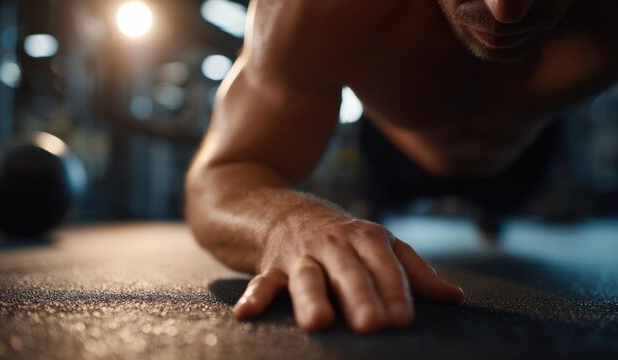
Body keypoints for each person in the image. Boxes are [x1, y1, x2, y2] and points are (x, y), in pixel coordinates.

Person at [185, 0, 618, 333]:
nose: (505, 11)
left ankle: (492, 213)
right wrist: (286, 223)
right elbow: (224, 172)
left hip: (523, 157)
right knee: (361, 236)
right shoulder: (321, 9)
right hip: (394, 153)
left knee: (500, 216)